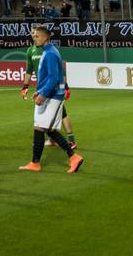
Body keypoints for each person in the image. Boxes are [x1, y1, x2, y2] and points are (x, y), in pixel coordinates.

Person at [19, 26, 84, 173]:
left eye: (37, 36)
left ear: (45, 38)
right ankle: (38, 162)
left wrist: (43, 94)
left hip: (52, 96)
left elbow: (54, 77)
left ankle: (71, 157)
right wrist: (40, 91)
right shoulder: (49, 51)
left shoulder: (49, 54)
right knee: (42, 128)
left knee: (44, 128)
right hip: (49, 94)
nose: (34, 38)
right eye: (33, 36)